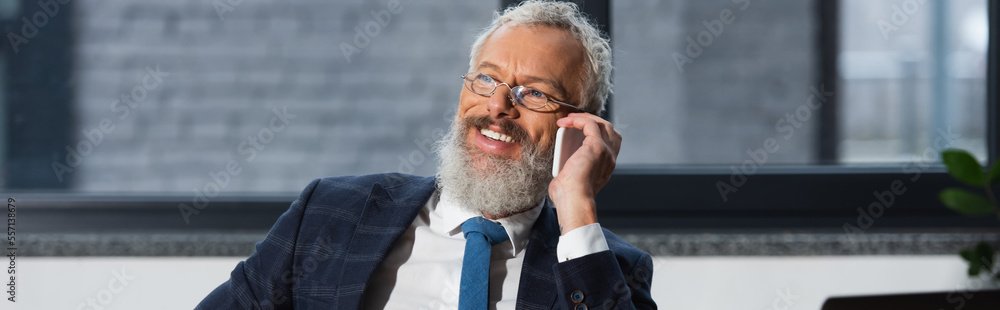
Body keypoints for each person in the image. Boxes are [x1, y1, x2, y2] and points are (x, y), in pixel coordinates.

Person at [197, 1, 655, 309]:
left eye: (533, 92)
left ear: (578, 128)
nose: (497, 106)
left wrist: (576, 205)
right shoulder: (330, 214)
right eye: (485, 79)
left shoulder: (608, 268)